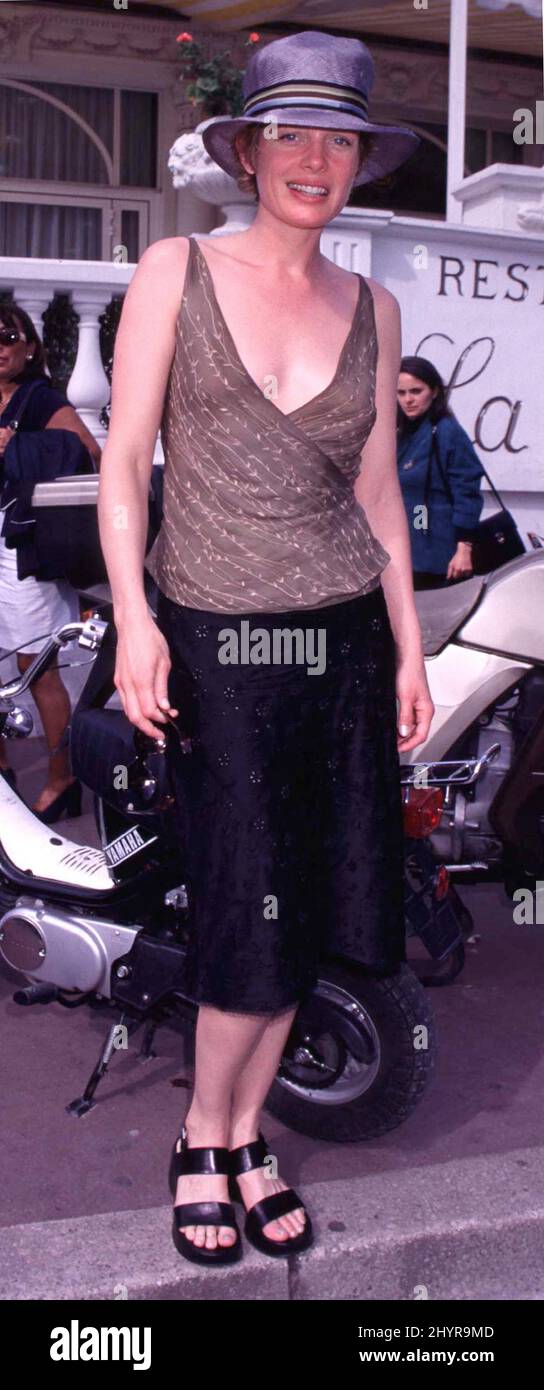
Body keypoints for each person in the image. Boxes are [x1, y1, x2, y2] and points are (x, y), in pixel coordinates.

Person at [97, 30, 434, 1267]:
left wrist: (405, 648)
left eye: (337, 137)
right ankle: (201, 1132)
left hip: (343, 639)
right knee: (249, 897)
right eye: (288, 132)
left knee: (315, 899)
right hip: (220, 640)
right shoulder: (173, 269)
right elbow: (125, 458)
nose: (314, 157)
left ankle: (249, 1137)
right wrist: (136, 619)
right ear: (247, 149)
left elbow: (380, 492)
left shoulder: (374, 305)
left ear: (359, 162)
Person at [0, 302, 101, 820]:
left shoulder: (39, 399)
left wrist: (18, 445)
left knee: (34, 665)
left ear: (28, 346)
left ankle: (62, 781)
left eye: (7, 337)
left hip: (22, 546)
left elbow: (86, 452)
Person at [397, 355, 484, 590]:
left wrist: (464, 549)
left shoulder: (446, 431)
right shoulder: (402, 434)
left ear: (434, 391)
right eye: (401, 393)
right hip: (407, 555)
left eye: (416, 391)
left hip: (441, 559)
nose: (408, 400)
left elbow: (467, 492)